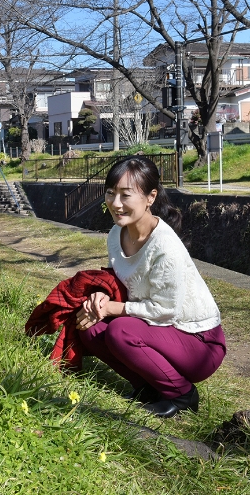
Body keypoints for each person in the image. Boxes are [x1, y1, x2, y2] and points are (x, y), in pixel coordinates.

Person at [75, 156, 226, 418]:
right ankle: (147, 386)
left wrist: (112, 308)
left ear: (150, 197)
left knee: (121, 331)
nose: (116, 203)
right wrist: (102, 296)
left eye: (126, 195)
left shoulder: (165, 248)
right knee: (90, 326)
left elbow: (165, 310)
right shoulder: (116, 234)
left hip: (198, 341)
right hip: (159, 330)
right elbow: (121, 278)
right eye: (111, 193)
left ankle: (182, 395)